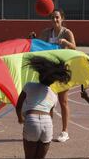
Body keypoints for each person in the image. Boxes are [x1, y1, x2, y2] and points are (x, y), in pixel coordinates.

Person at [15, 56, 74, 159]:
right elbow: (52, 114)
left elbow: (18, 105)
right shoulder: (53, 94)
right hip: (47, 123)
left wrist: (20, 118)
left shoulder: (29, 86)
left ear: (39, 74)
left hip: (32, 120)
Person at [29, 9, 76, 143]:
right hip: (49, 70)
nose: (55, 20)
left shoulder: (67, 32)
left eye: (57, 17)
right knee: (48, 101)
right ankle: (48, 129)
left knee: (63, 101)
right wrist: (32, 38)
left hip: (62, 70)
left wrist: (66, 43)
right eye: (52, 18)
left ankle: (65, 131)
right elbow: (38, 46)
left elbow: (74, 48)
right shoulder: (45, 32)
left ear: (62, 18)